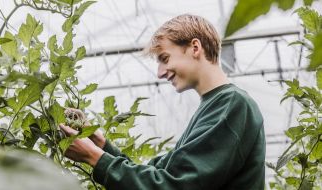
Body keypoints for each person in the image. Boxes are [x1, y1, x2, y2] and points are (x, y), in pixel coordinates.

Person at [59, 14, 266, 190]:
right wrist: (101, 145)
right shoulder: (215, 106)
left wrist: (94, 157)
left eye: (165, 58)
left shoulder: (232, 105)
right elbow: (161, 173)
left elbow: (171, 186)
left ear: (195, 47)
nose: (159, 73)